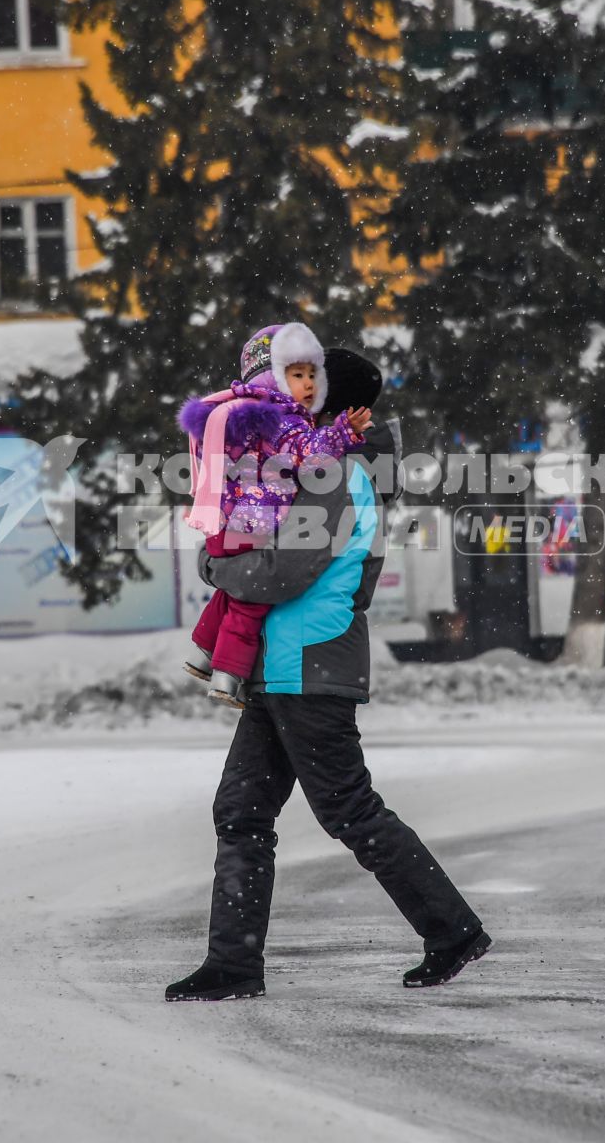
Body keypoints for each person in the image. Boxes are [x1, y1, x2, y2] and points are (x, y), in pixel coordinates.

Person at [166, 346, 490, 1002]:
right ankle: (233, 964)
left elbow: (281, 572)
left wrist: (215, 566)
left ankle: (452, 929)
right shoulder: (324, 469)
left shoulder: (332, 474)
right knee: (242, 810)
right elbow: (358, 580)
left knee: (347, 809)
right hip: (287, 664)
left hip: (305, 665)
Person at [178, 323, 372, 707]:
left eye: (313, 375)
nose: (310, 384)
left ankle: (204, 651)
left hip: (292, 658)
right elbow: (273, 577)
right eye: (298, 375)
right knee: (247, 605)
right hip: (303, 662)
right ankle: (226, 673)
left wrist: (213, 564)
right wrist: (342, 434)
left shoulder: (235, 417)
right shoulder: (303, 438)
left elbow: (259, 573)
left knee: (235, 597)